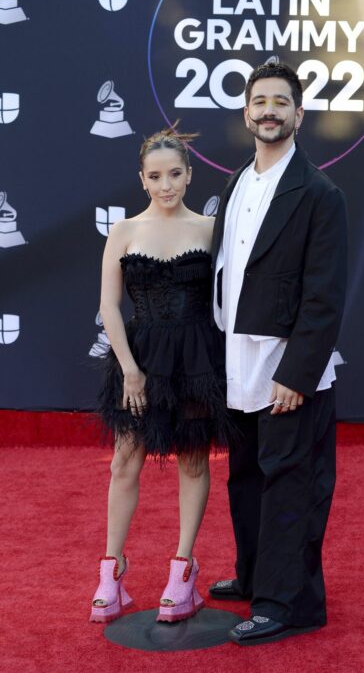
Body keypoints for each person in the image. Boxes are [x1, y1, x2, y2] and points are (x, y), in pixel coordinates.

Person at [209, 62, 348, 645]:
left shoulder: (320, 194)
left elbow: (324, 294)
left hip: (287, 368)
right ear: (246, 113)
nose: (269, 110)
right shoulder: (236, 181)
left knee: (290, 482)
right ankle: (253, 575)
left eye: (280, 102)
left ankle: (283, 603)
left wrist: (298, 373)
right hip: (236, 357)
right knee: (245, 477)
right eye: (259, 101)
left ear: (298, 114)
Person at [90, 126, 232, 624]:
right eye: (156, 176)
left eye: (175, 174)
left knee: (193, 460)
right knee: (123, 462)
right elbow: (109, 305)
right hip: (141, 356)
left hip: (196, 360)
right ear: (142, 179)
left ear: (190, 175)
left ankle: (181, 571)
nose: (166, 184)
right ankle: (110, 575)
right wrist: (130, 369)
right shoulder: (124, 231)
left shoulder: (210, 229)